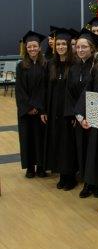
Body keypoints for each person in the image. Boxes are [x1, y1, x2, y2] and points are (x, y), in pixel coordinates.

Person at [45, 27, 79, 191]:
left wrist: (74, 113)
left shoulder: (75, 65)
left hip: (68, 112)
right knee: (57, 142)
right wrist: (45, 110)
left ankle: (70, 176)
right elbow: (46, 89)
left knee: (68, 144)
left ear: (69, 46)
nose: (60, 47)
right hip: (54, 111)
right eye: (58, 44)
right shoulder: (52, 64)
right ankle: (62, 175)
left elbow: (77, 91)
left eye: (63, 44)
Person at [66, 29, 98, 197]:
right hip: (80, 118)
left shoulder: (97, 67)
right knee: (82, 149)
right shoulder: (73, 68)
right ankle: (87, 182)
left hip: (94, 116)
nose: (80, 50)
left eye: (84, 47)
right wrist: (78, 116)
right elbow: (69, 95)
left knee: (94, 150)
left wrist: (88, 116)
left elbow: (95, 92)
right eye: (78, 47)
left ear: (92, 48)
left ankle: (97, 183)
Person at [17, 31, 49, 178]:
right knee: (27, 138)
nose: (32, 49)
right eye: (29, 46)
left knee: (41, 138)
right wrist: (29, 107)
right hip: (26, 111)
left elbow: (46, 88)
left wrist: (39, 107)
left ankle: (41, 166)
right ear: (26, 48)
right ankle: (30, 167)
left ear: (40, 47)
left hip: (41, 110)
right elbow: (20, 89)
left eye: (35, 46)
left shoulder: (46, 64)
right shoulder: (21, 66)